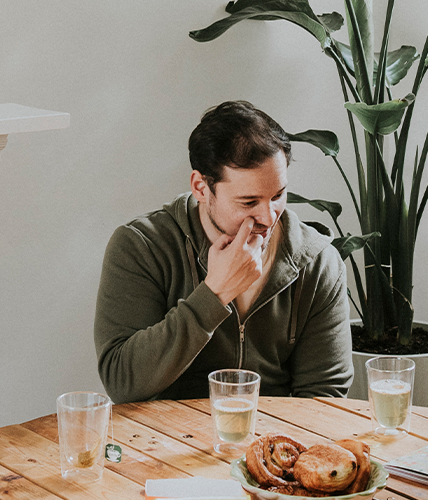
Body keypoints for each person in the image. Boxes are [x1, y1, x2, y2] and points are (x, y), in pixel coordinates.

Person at [95, 100, 353, 403]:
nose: (269, 217)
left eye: (278, 196)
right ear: (202, 188)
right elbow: (122, 383)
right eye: (249, 202)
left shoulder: (317, 262)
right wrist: (214, 294)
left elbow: (324, 402)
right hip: (161, 443)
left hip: (273, 441)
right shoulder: (142, 246)